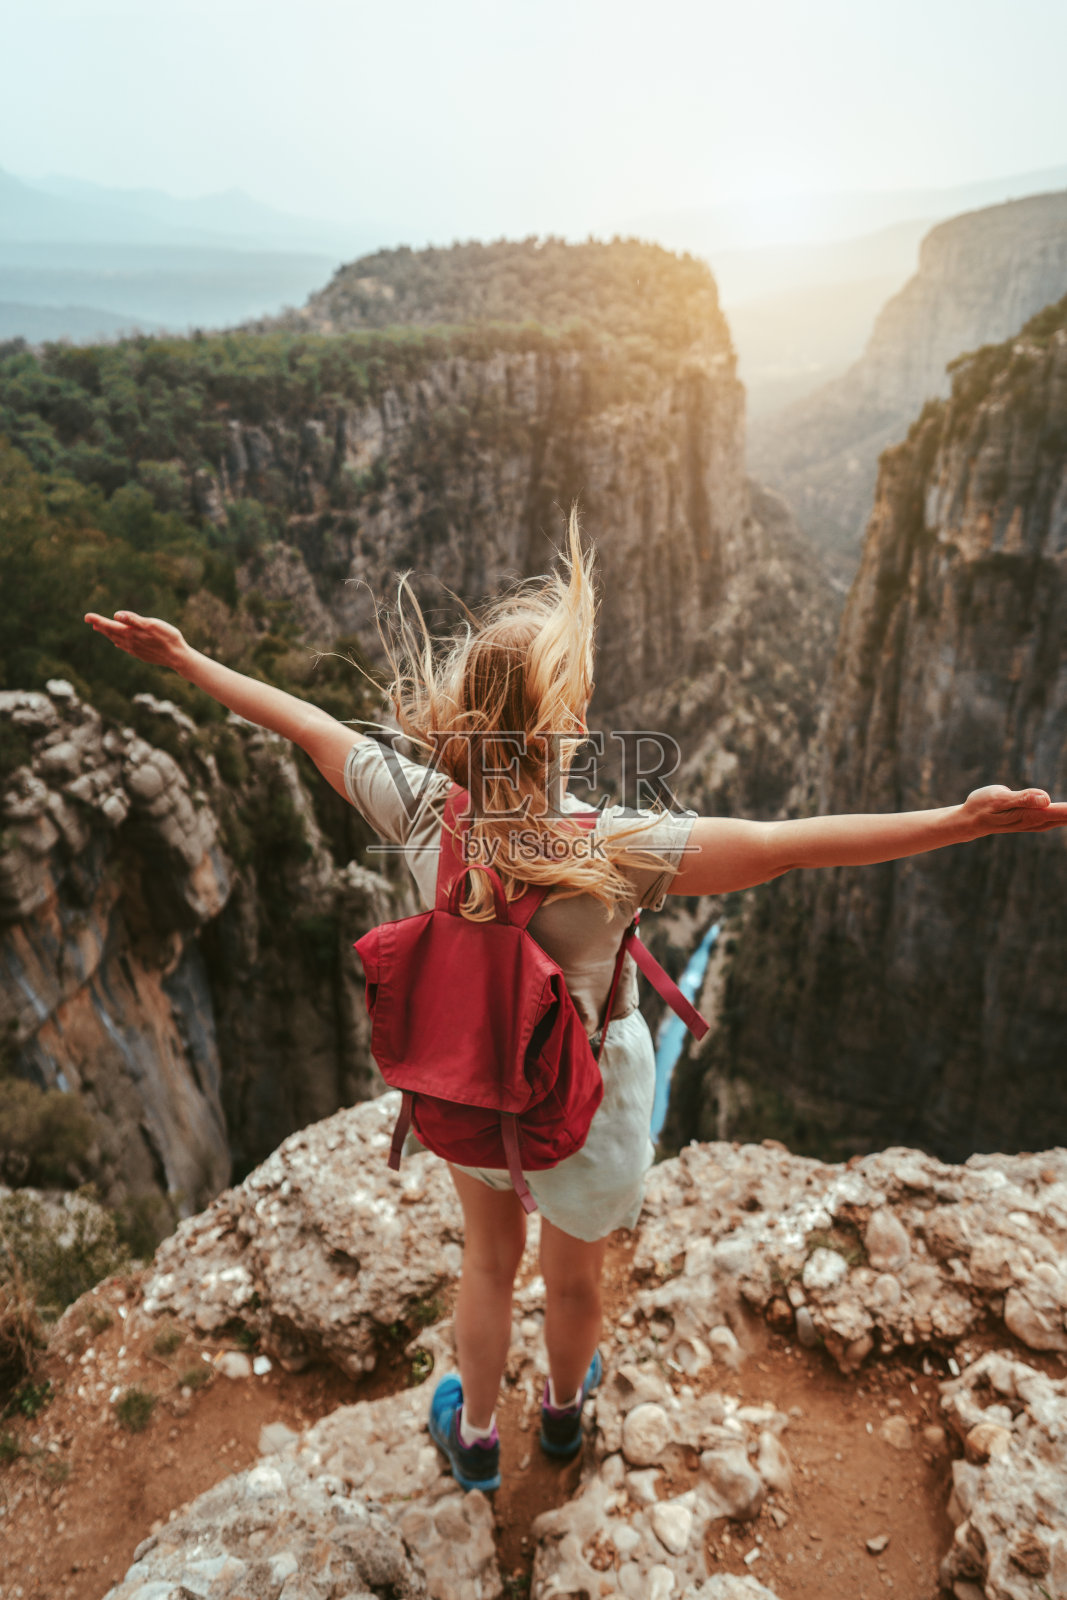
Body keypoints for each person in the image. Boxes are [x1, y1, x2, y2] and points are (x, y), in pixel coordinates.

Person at [86, 510, 1067, 1494]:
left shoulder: (419, 805)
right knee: (572, 1278)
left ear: (464, 717)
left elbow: (304, 725)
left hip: (466, 1082)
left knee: (484, 1263)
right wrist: (957, 820)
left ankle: (471, 1435)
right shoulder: (619, 845)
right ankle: (559, 1418)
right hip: (585, 1098)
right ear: (561, 725)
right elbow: (786, 843)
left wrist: (188, 659)